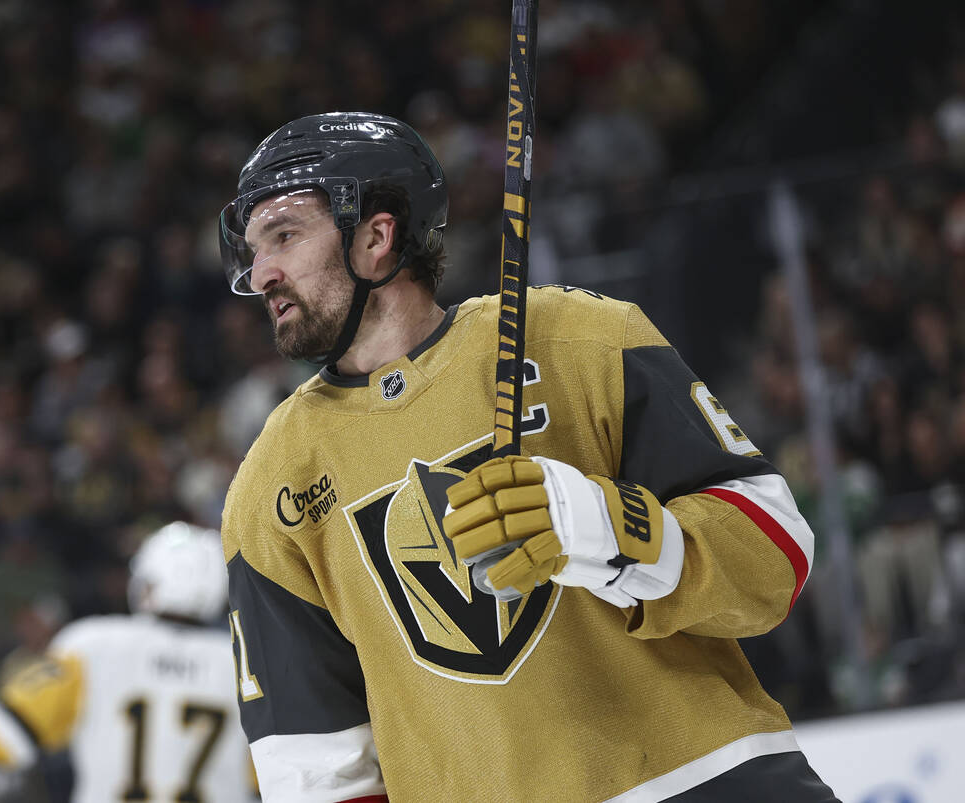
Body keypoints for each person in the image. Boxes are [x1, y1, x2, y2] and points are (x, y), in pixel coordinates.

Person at [217, 112, 837, 802]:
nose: (261, 270)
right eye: (254, 248)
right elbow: (316, 767)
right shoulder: (272, 485)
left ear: (375, 233)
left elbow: (775, 556)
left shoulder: (583, 339)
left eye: (284, 235)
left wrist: (598, 524)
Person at [0, 522, 255, 803]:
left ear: (147, 585)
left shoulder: (95, 645)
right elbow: (273, 780)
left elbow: (6, 736)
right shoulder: (246, 662)